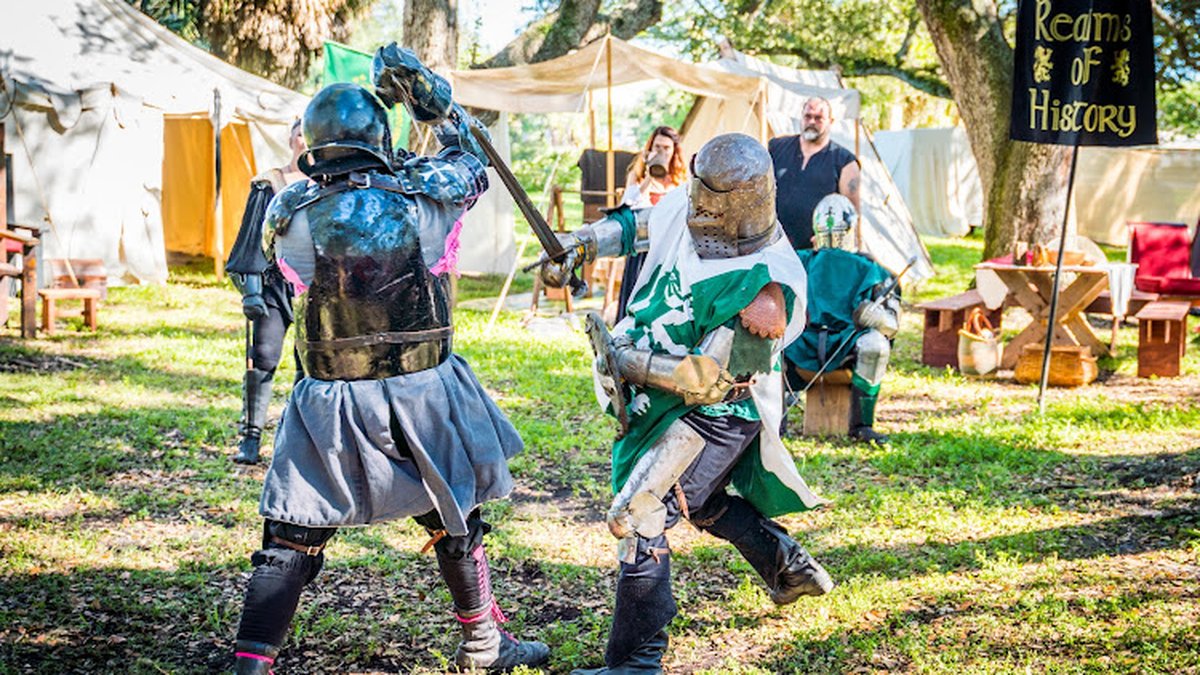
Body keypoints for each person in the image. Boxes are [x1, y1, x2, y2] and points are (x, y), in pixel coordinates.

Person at [230, 44, 549, 675]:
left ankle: (250, 663)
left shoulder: (285, 211)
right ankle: (483, 642)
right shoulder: (423, 201)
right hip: (421, 392)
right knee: (455, 511)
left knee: (291, 529)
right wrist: (433, 101)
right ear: (381, 138)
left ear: (313, 144)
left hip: (330, 398)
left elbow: (288, 266)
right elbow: (469, 160)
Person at [541, 133, 833, 674]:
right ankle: (787, 565)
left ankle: (636, 662)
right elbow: (638, 227)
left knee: (642, 515)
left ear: (744, 205)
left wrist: (622, 356)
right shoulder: (689, 203)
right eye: (699, 197)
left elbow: (708, 380)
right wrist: (579, 244)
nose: (699, 211)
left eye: (712, 206)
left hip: (714, 413)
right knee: (702, 501)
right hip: (657, 397)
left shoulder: (769, 286)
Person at [785, 194, 900, 444]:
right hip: (804, 339)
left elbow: (891, 325)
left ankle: (862, 424)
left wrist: (874, 315)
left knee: (874, 345)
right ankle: (775, 419)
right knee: (773, 339)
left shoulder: (872, 269)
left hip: (849, 344)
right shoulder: (798, 261)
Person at [225, 120, 307, 465]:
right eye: (301, 134)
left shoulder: (330, 185)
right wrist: (252, 290)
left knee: (311, 368)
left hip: (315, 289)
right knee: (263, 358)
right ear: (291, 139)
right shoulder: (269, 184)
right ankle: (251, 436)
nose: (306, 141)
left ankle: (304, 439)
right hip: (275, 285)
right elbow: (251, 239)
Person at [615, 126, 688, 323]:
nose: (662, 152)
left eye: (666, 148)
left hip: (667, 248)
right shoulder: (637, 175)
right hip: (642, 246)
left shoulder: (679, 179)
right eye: (657, 147)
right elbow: (627, 205)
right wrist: (649, 175)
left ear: (674, 151)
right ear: (650, 147)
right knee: (636, 293)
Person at [768, 96, 861, 251]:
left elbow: (851, 216)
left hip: (816, 252)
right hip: (774, 247)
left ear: (830, 121)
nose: (812, 122)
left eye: (818, 118)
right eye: (808, 116)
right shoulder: (776, 148)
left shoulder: (845, 162)